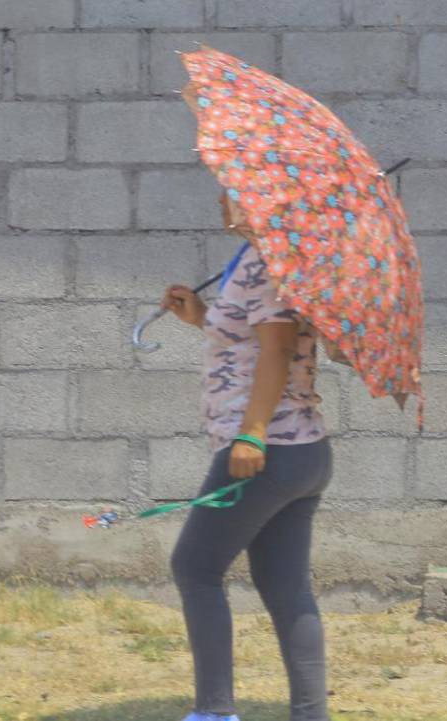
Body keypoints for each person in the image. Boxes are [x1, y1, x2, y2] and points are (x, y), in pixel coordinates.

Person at [160, 191, 334, 721]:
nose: (221, 199)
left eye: (234, 191)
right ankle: (310, 715)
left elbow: (279, 350)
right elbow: (261, 340)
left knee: (195, 567)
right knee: (284, 585)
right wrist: (204, 317)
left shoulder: (270, 263)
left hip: (266, 451)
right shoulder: (271, 260)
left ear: (266, 202)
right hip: (302, 451)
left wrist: (252, 433)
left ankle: (213, 713)